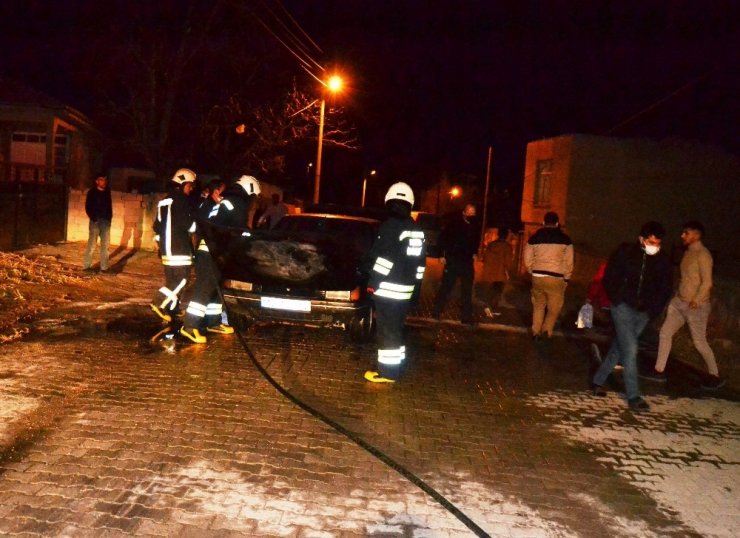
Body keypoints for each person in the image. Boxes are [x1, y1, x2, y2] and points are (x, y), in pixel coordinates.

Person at [591, 221, 673, 413]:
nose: (655, 247)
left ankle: (597, 381)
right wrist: (617, 299)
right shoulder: (625, 252)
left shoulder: (662, 260)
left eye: (658, 243)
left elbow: (665, 288)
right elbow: (610, 276)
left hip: (644, 312)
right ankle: (634, 396)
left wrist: (653, 310)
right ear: (641, 239)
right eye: (651, 242)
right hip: (623, 308)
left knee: (620, 346)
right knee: (631, 349)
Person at [180, 175, 260, 344]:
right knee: (205, 287)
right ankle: (189, 326)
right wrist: (250, 238)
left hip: (214, 251)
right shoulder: (238, 203)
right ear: (250, 190)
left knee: (216, 288)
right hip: (211, 252)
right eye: (254, 197)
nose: (254, 201)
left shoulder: (229, 200)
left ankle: (213, 321)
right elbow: (237, 229)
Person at [645, 221, 724, 389]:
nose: (682, 236)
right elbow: (686, 279)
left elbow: (707, 282)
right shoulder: (688, 253)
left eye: (686, 233)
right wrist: (677, 297)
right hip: (679, 303)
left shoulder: (703, 255)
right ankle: (659, 371)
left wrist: (696, 300)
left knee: (699, 342)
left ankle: (714, 375)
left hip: (696, 306)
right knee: (665, 333)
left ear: (696, 235)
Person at [363, 182, 426, 383]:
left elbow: (383, 260)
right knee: (396, 330)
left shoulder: (389, 227)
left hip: (387, 290)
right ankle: (395, 368)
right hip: (405, 291)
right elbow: (419, 265)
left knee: (387, 331)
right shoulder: (416, 229)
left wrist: (373, 281)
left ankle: (387, 373)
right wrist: (416, 290)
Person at [149, 168, 197, 323]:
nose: (190, 190)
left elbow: (157, 225)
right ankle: (158, 302)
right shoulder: (182, 201)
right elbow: (189, 227)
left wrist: (160, 242)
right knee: (182, 279)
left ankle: (172, 309)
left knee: (172, 280)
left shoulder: (163, 201)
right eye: (190, 186)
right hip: (179, 248)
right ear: (183, 184)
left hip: (166, 249)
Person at [523, 211, 574, 339]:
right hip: (556, 277)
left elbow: (527, 257)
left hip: (537, 276)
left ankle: (535, 331)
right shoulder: (566, 240)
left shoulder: (534, 238)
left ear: (543, 223)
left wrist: (532, 270)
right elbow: (569, 262)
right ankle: (547, 330)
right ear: (557, 224)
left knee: (538, 305)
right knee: (554, 307)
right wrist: (566, 278)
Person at [432, 203, 479, 325]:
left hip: (467, 262)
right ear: (464, 213)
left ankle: (466, 317)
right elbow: (442, 239)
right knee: (446, 287)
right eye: (469, 212)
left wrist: (474, 252)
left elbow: (475, 242)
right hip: (453, 260)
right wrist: (442, 255)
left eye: (473, 212)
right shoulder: (454, 225)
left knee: (467, 290)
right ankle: (436, 310)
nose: (471, 215)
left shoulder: (475, 226)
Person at [479, 227, 512, 317]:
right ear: (507, 236)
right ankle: (490, 307)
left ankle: (489, 306)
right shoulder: (507, 246)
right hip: (500, 273)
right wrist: (508, 272)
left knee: (490, 289)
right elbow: (508, 262)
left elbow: (485, 258)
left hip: (490, 271)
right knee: (497, 291)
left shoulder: (491, 245)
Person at [82, 173, 112, 273]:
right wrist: (94, 218)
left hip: (105, 222)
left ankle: (104, 268)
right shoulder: (92, 192)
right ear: (97, 181)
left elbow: (109, 207)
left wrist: (109, 219)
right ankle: (86, 266)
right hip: (95, 221)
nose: (104, 182)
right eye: (102, 180)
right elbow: (88, 207)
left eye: (105, 180)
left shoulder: (107, 192)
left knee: (106, 246)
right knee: (92, 244)